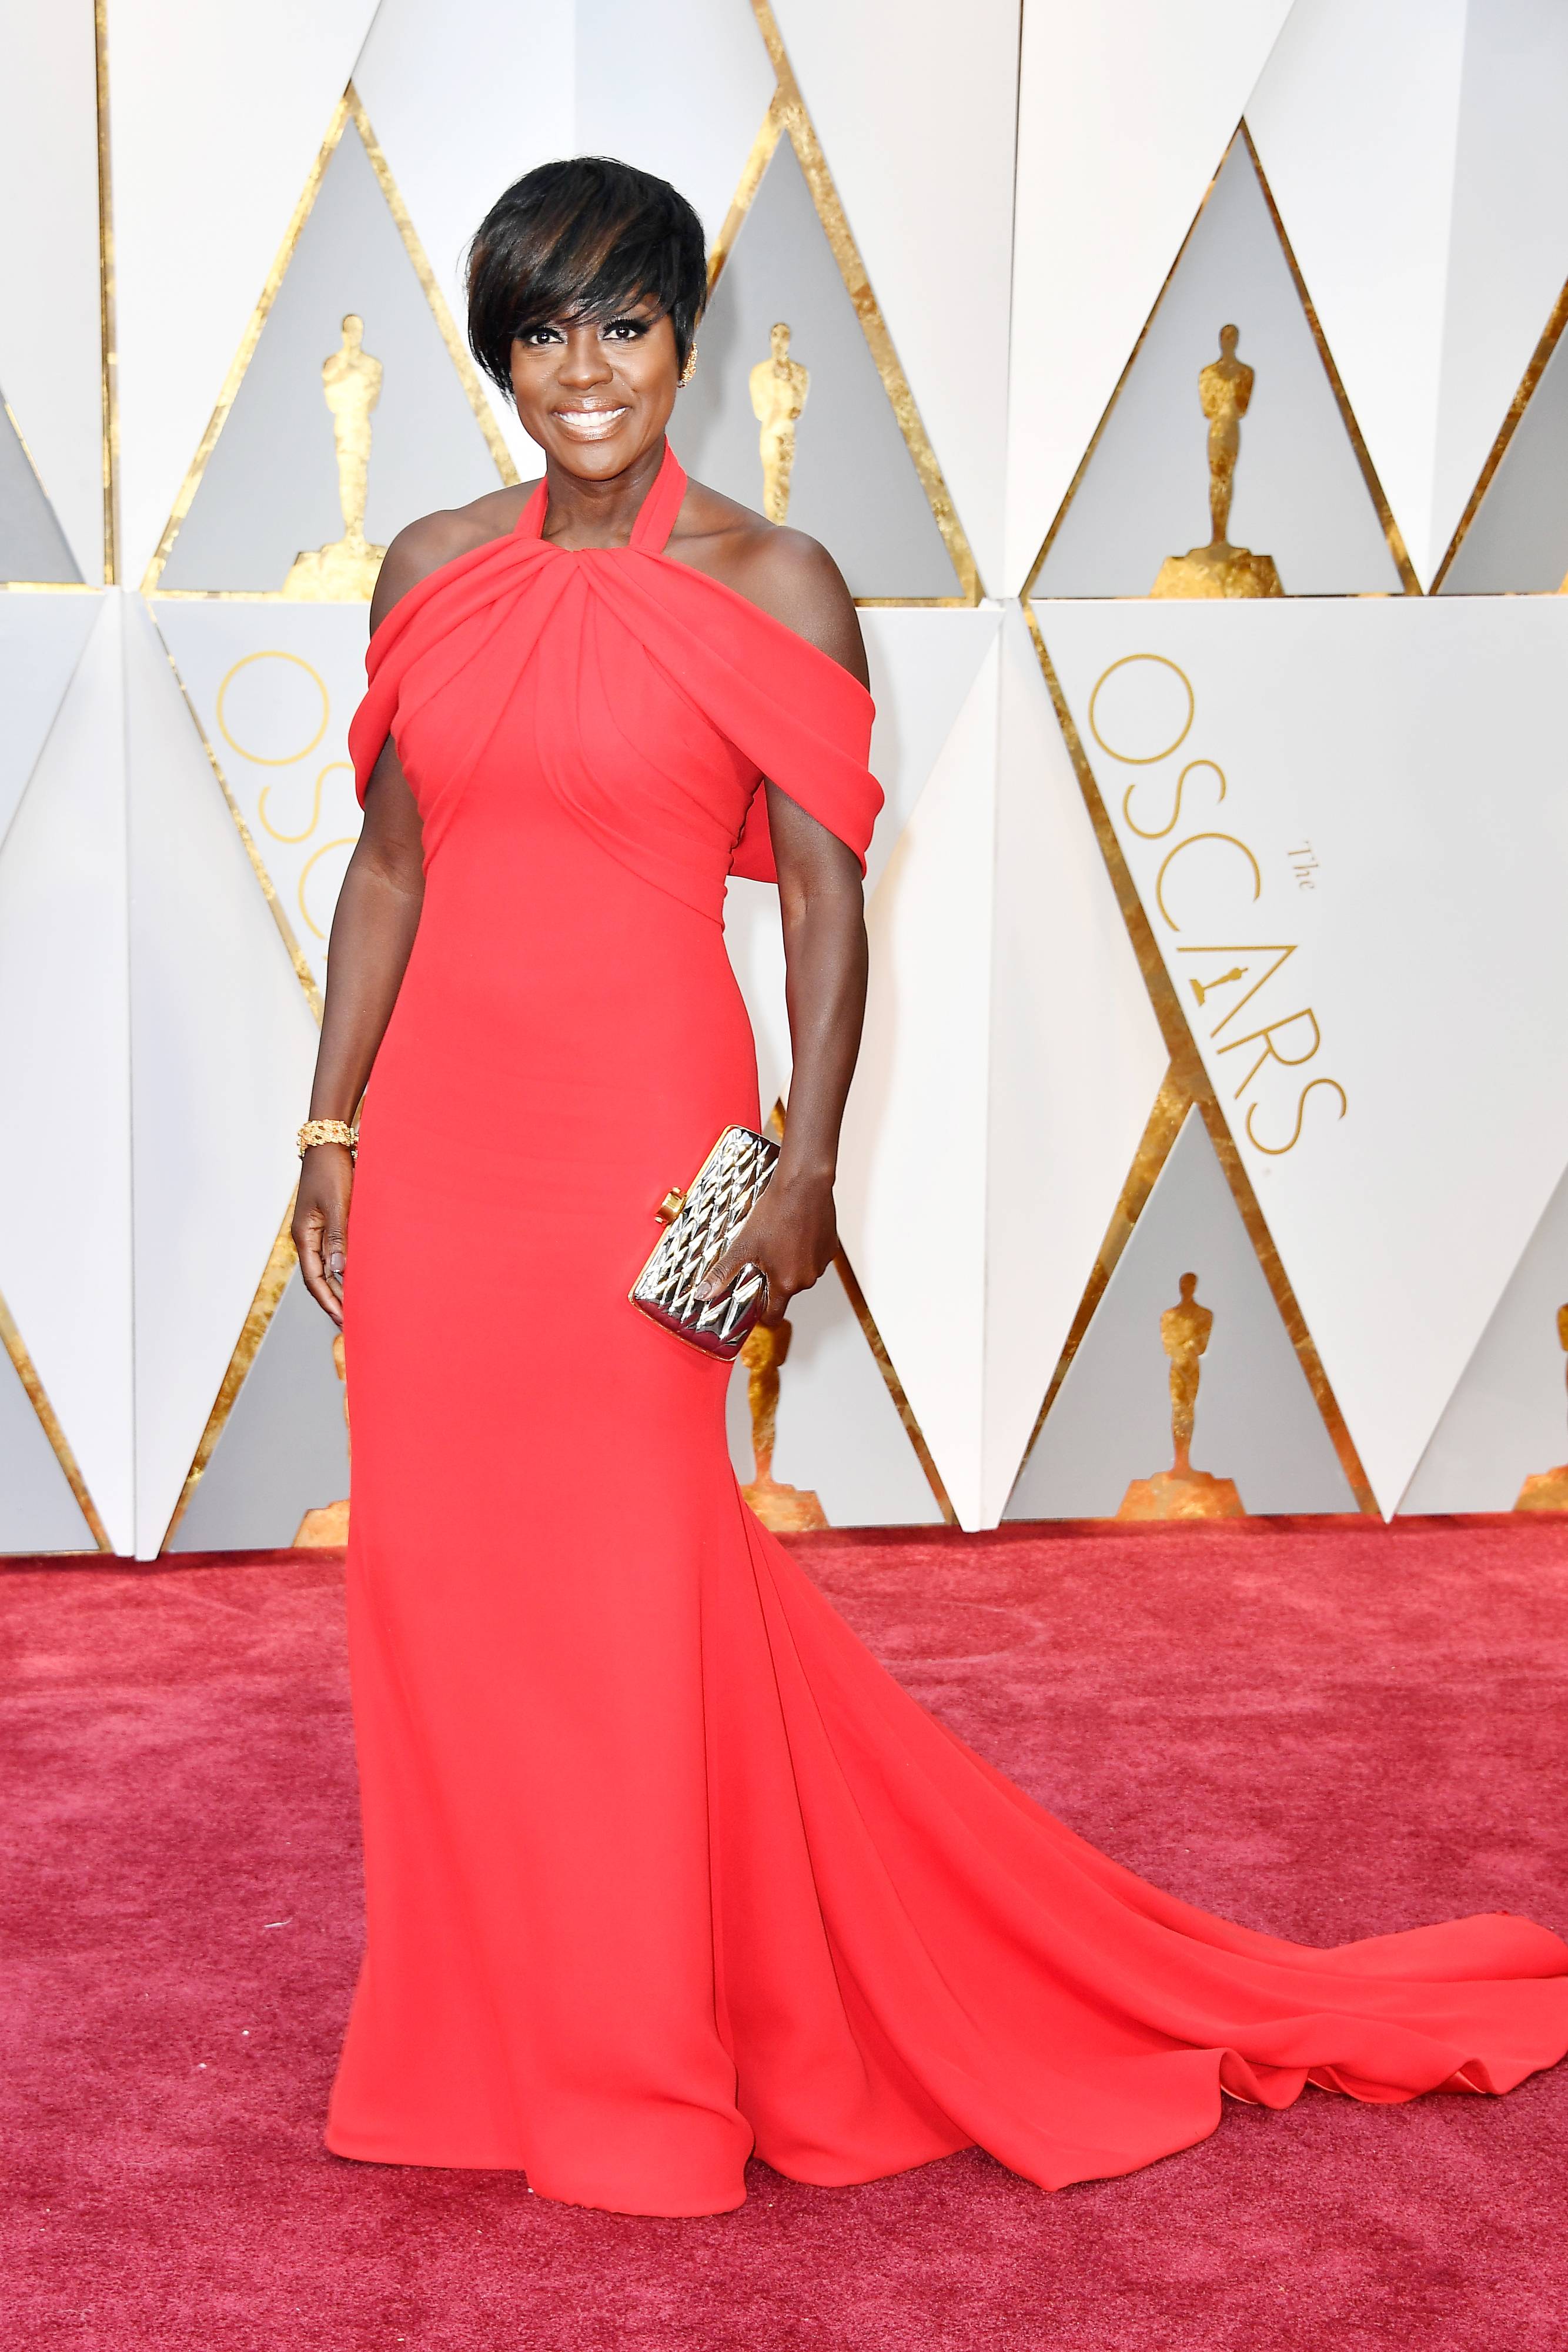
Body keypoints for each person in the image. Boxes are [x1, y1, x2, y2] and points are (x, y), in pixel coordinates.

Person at [292, 157, 1568, 2219]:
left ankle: (639, 2071)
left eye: (623, 323)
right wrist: (329, 1126)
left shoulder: (778, 579)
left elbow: (821, 899)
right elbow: (390, 867)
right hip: (444, 1145)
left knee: (630, 1584)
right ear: (498, 357)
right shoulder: (427, 567)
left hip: (646, 1146)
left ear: (685, 338)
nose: (583, 370)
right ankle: (467, 2043)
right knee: (443, 1599)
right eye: (542, 331)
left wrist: (802, 1163)